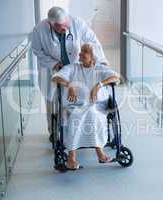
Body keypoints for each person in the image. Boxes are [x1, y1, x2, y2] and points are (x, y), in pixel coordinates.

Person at [31, 7, 108, 141]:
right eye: (61, 27)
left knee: (75, 101)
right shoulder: (39, 30)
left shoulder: (76, 22)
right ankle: (54, 132)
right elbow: (37, 51)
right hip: (52, 70)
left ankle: (77, 132)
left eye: (66, 25)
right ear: (51, 24)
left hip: (75, 70)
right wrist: (53, 63)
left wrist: (101, 61)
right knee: (53, 102)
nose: (65, 29)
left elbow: (93, 41)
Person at [52, 43, 118, 170]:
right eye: (81, 51)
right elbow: (56, 77)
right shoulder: (73, 68)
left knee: (92, 112)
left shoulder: (99, 69)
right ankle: (73, 157)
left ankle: (99, 151)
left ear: (92, 57)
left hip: (96, 105)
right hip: (76, 105)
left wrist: (99, 85)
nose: (80, 54)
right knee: (78, 115)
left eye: (84, 52)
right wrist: (69, 85)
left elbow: (116, 76)